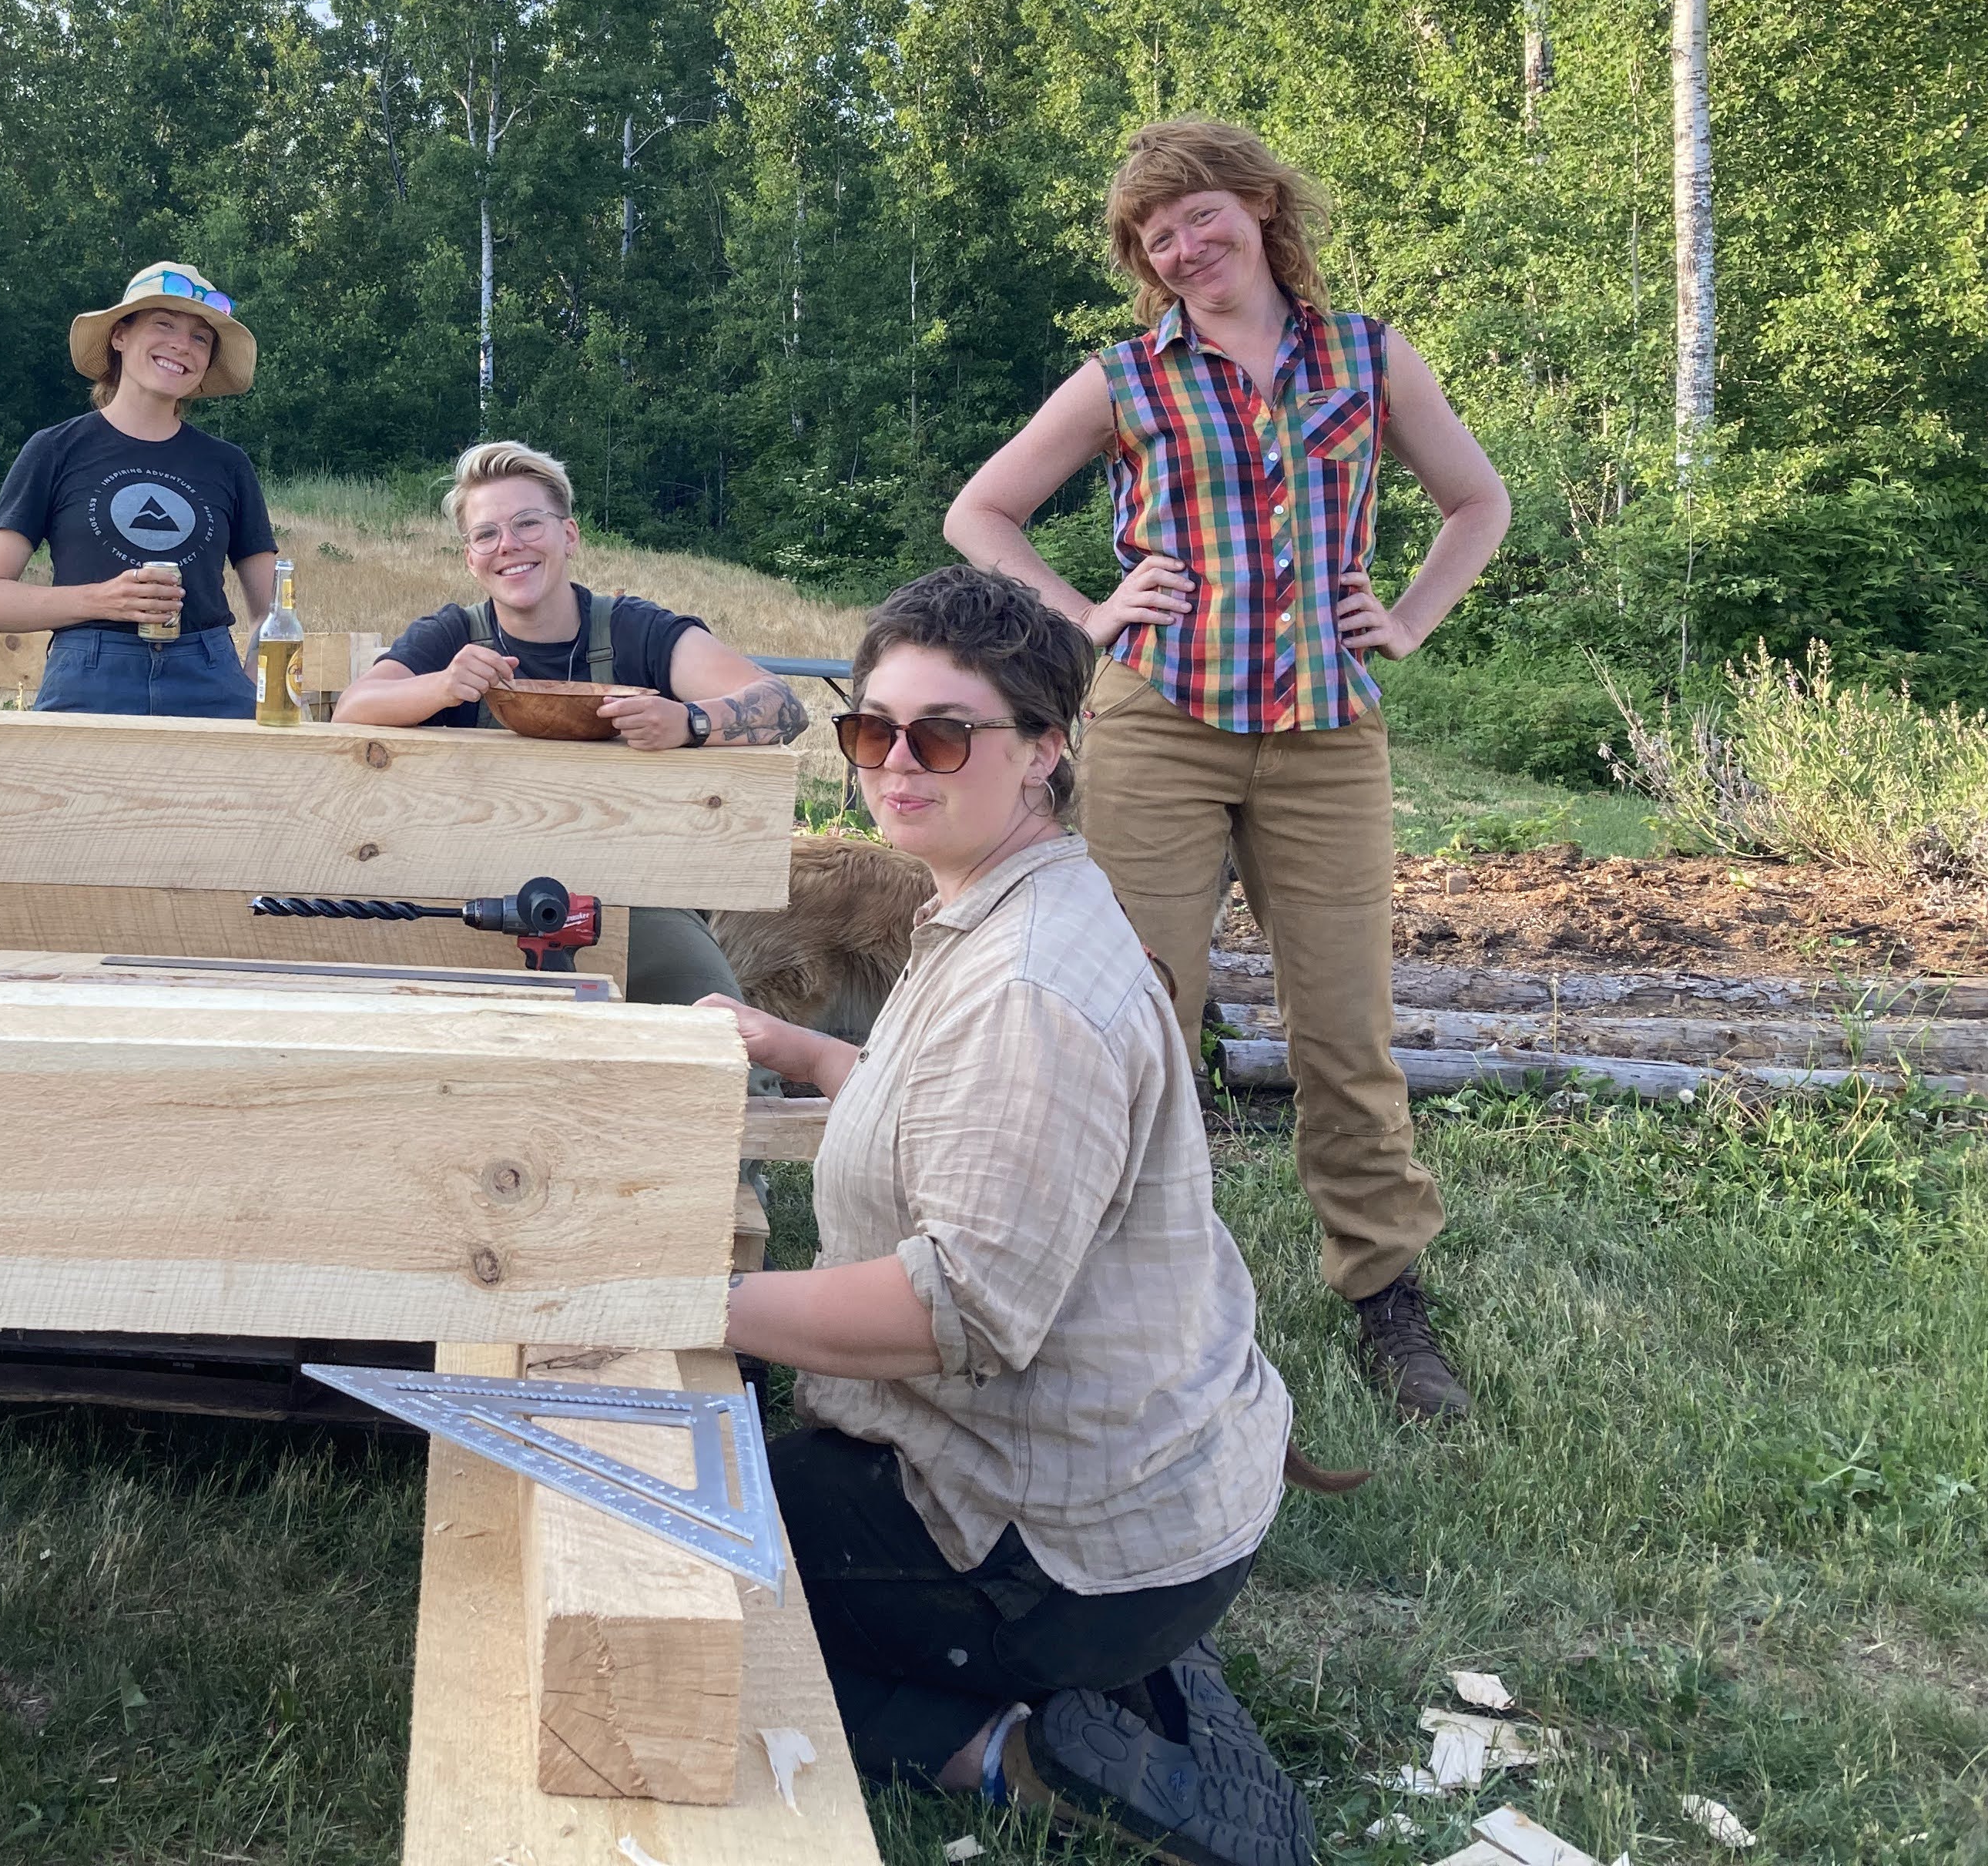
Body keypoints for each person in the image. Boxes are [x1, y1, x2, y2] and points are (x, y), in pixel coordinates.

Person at [713, 566, 1312, 1866]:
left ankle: (1017, 1749)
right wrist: (805, 1053)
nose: (894, 763)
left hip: (1056, 1543)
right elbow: (958, 1116)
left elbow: (954, 1304)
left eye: (942, 733)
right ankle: (1125, 1672)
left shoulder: (1032, 983)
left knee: (677, 1571)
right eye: (870, 729)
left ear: (1045, 746)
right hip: (1151, 1480)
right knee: (726, 1475)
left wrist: (685, 1305)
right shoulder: (1004, 902)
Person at [944, 118, 1510, 1421]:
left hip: (1325, 733)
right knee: (1135, 1014)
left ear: (1258, 206)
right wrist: (1087, 610)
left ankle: (1383, 1293)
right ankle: (1111, 1288)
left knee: (1344, 1027)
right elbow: (981, 510)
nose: (1181, 246)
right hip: (1161, 721)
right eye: (1154, 236)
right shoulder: (1126, 377)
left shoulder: (1363, 355)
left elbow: (1476, 499)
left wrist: (1411, 617)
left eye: (1198, 217)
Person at [333, 439, 807, 1009]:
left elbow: (784, 705)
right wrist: (439, 685)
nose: (508, 545)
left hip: (632, 901)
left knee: (719, 1038)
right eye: (486, 534)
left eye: (528, 523)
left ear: (570, 536)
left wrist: (689, 722)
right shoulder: (451, 635)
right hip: (471, 893)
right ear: (470, 558)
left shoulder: (638, 630)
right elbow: (351, 711)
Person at [0, 260, 276, 717]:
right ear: (119, 335)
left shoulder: (228, 465)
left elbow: (272, 609)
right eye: (164, 324)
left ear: (208, 361)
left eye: (200, 338)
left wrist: (254, 680)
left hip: (210, 673)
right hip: (89, 675)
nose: (181, 345)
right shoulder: (55, 450)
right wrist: (102, 599)